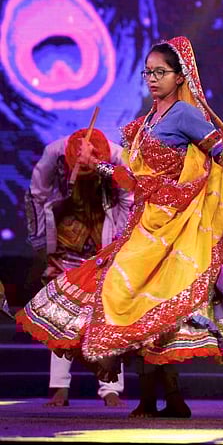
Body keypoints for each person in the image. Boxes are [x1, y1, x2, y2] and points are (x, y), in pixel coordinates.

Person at [18, 37, 223, 418]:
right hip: (146, 224)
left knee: (152, 300)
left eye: (161, 72)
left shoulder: (186, 115)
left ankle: (168, 395)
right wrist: (106, 172)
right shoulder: (149, 119)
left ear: (180, 76)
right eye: (148, 72)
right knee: (140, 304)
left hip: (178, 227)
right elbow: (137, 176)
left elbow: (222, 158)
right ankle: (163, 397)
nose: (152, 79)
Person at [25, 129, 133, 407]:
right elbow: (38, 193)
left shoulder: (117, 156)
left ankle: (110, 388)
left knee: (107, 315)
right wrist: (42, 247)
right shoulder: (55, 153)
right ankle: (59, 387)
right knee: (63, 316)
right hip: (66, 241)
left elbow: (130, 196)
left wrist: (118, 248)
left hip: (103, 241)